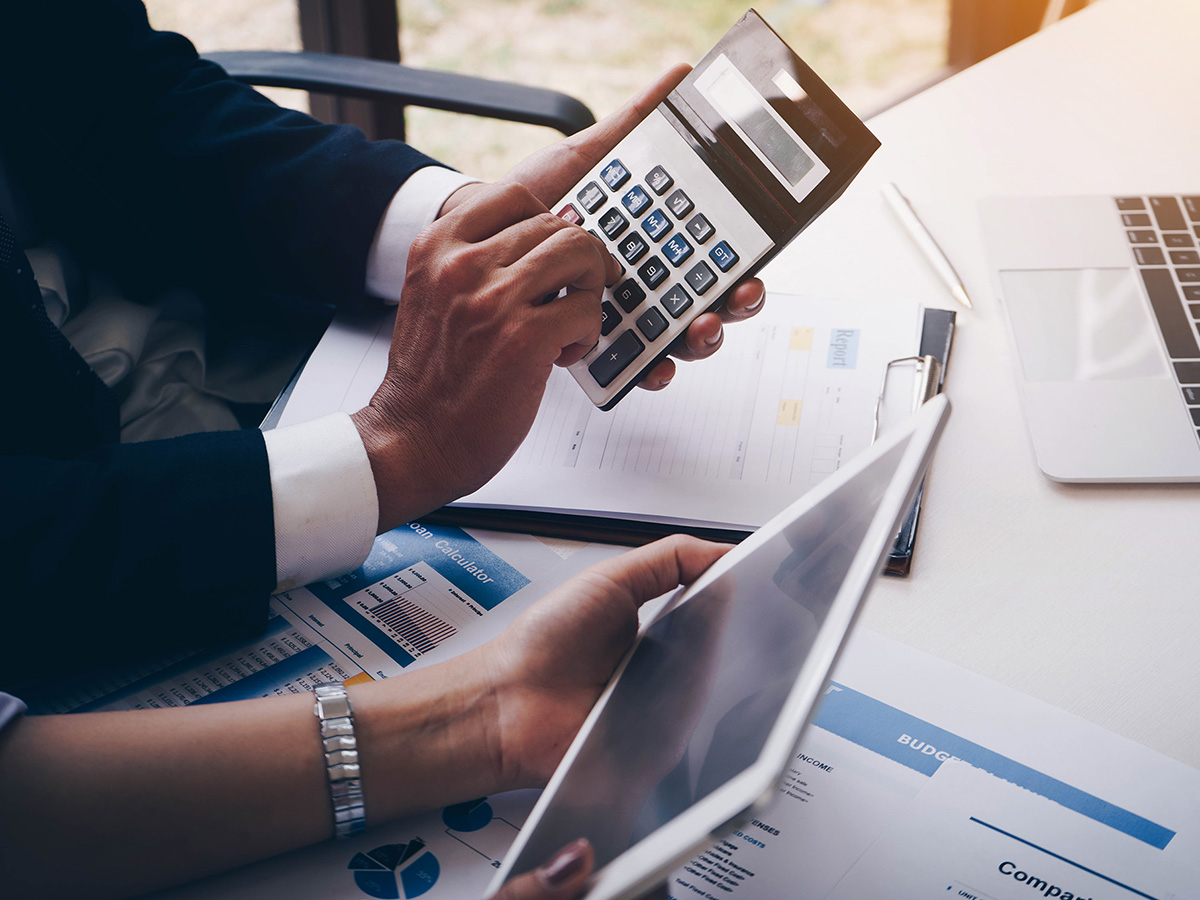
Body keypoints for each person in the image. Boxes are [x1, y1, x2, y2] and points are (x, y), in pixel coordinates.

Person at [0, 1, 767, 896]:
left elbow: (122, 88)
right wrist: (393, 451)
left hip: (236, 347)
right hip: (103, 539)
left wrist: (459, 224)